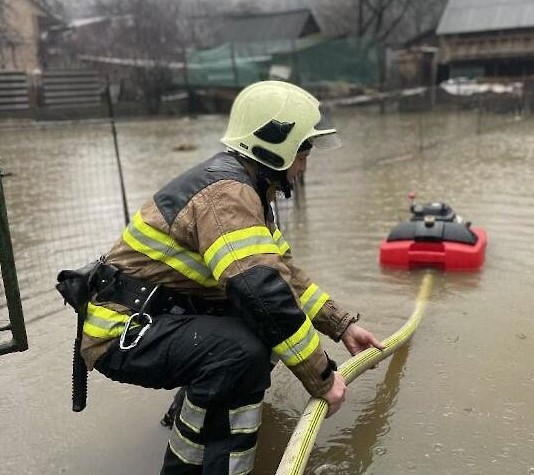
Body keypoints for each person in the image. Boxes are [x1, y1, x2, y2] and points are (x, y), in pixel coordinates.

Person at [72, 81, 384, 474]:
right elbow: (264, 297)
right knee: (244, 351)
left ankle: (193, 418)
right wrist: (322, 377)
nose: (305, 166)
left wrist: (341, 326)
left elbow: (283, 277)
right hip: (122, 332)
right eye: (303, 153)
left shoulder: (247, 191)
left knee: (252, 339)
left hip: (155, 321)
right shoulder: (228, 197)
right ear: (276, 148)